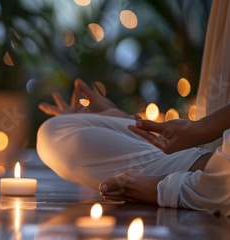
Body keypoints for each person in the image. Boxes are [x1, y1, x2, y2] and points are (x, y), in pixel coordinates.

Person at [37, 0, 230, 215]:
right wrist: (198, 130)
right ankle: (123, 121)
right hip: (213, 157)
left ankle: (201, 180)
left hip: (220, 178)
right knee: (56, 131)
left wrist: (162, 190)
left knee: (56, 133)